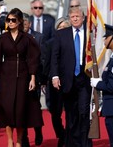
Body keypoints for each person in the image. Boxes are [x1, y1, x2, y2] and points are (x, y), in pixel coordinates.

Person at [0, 8, 43, 147]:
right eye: (8, 20)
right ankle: (9, 140)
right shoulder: (2, 38)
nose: (10, 22)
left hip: (23, 77)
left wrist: (32, 78)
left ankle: (19, 141)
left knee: (20, 110)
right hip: (6, 76)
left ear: (19, 21)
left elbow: (33, 59)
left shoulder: (27, 39)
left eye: (13, 20)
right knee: (7, 109)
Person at [50, 7, 92, 147]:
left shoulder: (89, 33)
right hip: (67, 79)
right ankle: (73, 142)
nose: (74, 19)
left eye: (77, 16)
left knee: (84, 112)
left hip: (84, 78)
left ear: (83, 17)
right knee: (71, 114)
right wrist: (55, 76)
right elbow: (55, 57)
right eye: (72, 16)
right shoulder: (61, 34)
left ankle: (85, 143)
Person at [43, 17, 70, 147]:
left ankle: (69, 136)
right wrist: (43, 81)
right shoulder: (50, 43)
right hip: (54, 83)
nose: (62, 31)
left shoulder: (74, 42)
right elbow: (47, 64)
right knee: (55, 112)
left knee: (71, 111)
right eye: (60, 28)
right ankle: (61, 134)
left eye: (65, 28)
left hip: (70, 81)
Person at [21, 12, 44, 147]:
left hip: (34, 79)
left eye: (25, 24)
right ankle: (24, 138)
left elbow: (41, 58)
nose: (23, 26)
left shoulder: (38, 37)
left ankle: (38, 131)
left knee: (35, 108)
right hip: (20, 80)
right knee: (21, 110)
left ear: (29, 24)